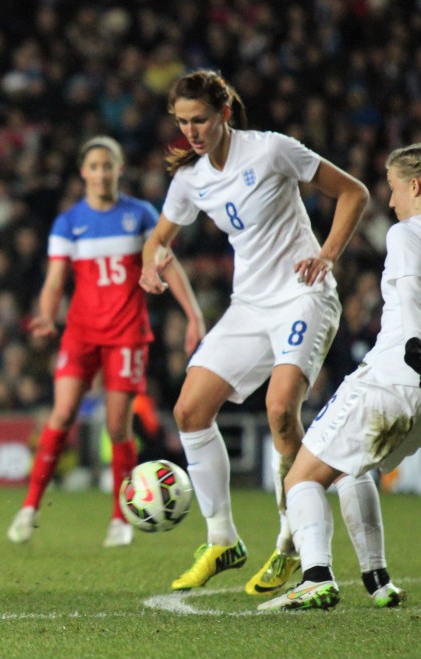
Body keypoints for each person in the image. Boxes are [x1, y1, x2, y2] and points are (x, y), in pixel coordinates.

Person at [140, 70, 372, 594]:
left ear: (224, 114)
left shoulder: (271, 150)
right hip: (249, 306)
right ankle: (222, 540)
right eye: (182, 122)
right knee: (189, 411)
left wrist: (327, 255)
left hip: (303, 294)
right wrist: (151, 264)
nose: (191, 132)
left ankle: (291, 543)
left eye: (200, 120)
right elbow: (158, 239)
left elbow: (353, 193)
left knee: (280, 409)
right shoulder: (191, 179)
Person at [6, 136, 205, 548]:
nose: (101, 173)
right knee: (62, 414)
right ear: (84, 172)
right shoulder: (69, 222)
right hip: (80, 333)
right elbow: (55, 281)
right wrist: (46, 315)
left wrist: (193, 314)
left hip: (126, 335)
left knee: (117, 426)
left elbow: (167, 263)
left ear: (119, 169)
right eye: (94, 166)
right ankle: (29, 507)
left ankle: (120, 517)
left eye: (107, 165)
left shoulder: (141, 214)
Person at [258, 144, 421, 611]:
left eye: (393, 189)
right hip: (416, 394)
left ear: (415, 186)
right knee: (352, 467)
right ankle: (378, 580)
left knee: (301, 477)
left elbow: (411, 291)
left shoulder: (406, 233)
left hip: (394, 376)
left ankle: (315, 577)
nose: (390, 201)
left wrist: (415, 347)